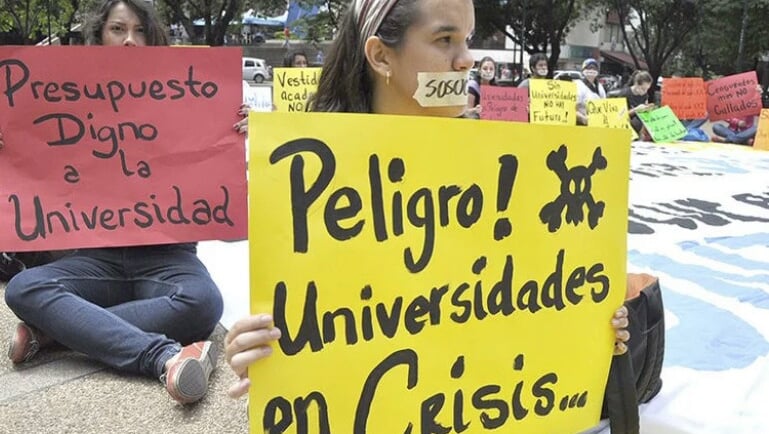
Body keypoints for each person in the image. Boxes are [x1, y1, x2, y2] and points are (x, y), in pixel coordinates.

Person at [224, 0, 631, 399]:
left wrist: (592, 325)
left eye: (467, 39)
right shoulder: (310, 179)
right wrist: (258, 349)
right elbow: (308, 323)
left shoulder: (511, 169)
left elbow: (531, 299)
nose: (467, 60)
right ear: (381, 56)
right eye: (445, 39)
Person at [3, 0, 249, 405]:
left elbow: (220, 182)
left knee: (204, 302)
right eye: (118, 29)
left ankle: (55, 332)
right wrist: (7, 145)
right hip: (97, 259)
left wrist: (239, 130)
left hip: (168, 256)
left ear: (154, 39)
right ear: (98, 36)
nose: (130, 41)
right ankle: (161, 356)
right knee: (24, 288)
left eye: (140, 31)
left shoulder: (188, 97)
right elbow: (31, 163)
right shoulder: (60, 98)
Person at [576, 58, 607, 126]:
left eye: (594, 68)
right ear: (583, 70)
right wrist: (583, 118)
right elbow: (572, 108)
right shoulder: (578, 85)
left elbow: (604, 104)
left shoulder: (600, 86)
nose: (591, 71)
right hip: (581, 123)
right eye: (588, 68)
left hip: (596, 124)